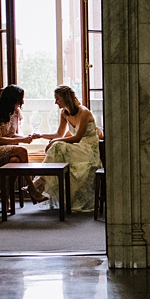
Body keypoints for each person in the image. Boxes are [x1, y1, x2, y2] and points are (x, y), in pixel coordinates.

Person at [35, 85, 102, 213]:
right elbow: (59, 135)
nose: (56, 102)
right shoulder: (64, 113)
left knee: (57, 146)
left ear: (66, 98)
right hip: (78, 148)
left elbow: (77, 138)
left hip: (89, 150)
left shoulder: (85, 112)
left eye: (57, 99)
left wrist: (55, 141)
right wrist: (41, 135)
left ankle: (39, 184)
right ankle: (40, 183)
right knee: (57, 147)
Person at [0, 84, 46, 201]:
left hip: (6, 149)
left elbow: (12, 134)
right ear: (12, 99)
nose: (23, 102)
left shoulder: (15, 112)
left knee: (15, 161)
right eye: (21, 98)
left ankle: (6, 197)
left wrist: (26, 137)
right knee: (22, 150)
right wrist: (22, 140)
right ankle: (32, 189)